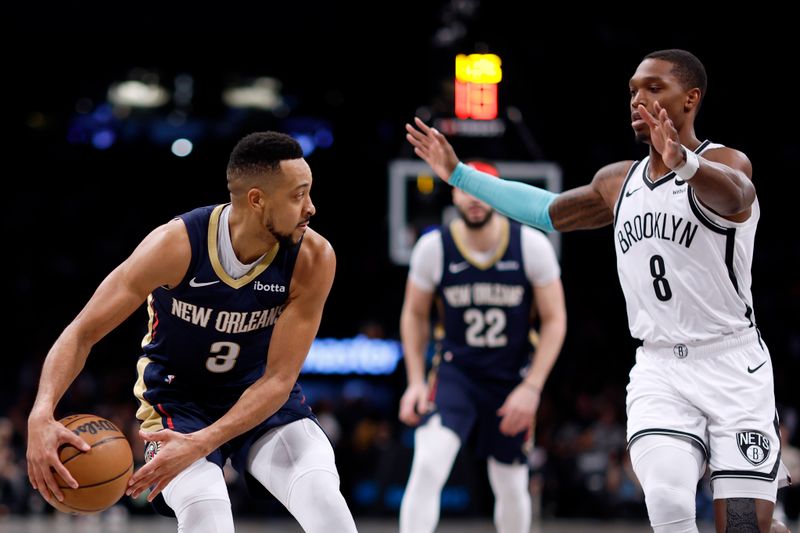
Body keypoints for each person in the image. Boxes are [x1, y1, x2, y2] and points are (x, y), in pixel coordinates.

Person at [406, 49, 791, 533]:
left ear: (691, 99)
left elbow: (737, 194)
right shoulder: (619, 181)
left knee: (742, 526)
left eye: (654, 88)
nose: (638, 99)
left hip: (733, 364)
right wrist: (460, 174)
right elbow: (547, 211)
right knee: (669, 500)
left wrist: (685, 164)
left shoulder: (724, 163)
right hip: (660, 370)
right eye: (633, 90)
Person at [26, 132, 358, 533]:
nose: (311, 207)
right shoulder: (176, 245)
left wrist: (206, 441)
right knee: (207, 514)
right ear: (257, 200)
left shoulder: (312, 258)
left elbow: (279, 380)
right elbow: (82, 332)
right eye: (298, 196)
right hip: (175, 402)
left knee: (325, 501)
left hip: (259, 398)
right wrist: (41, 414)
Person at [398, 160, 567, 533]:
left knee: (509, 482)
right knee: (427, 465)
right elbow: (413, 315)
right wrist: (414, 381)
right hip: (456, 373)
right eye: (465, 189)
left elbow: (555, 320)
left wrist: (533, 387)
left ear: (498, 193)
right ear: (454, 194)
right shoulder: (433, 247)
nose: (474, 198)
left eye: (482, 189)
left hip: (511, 377)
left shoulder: (530, 245)